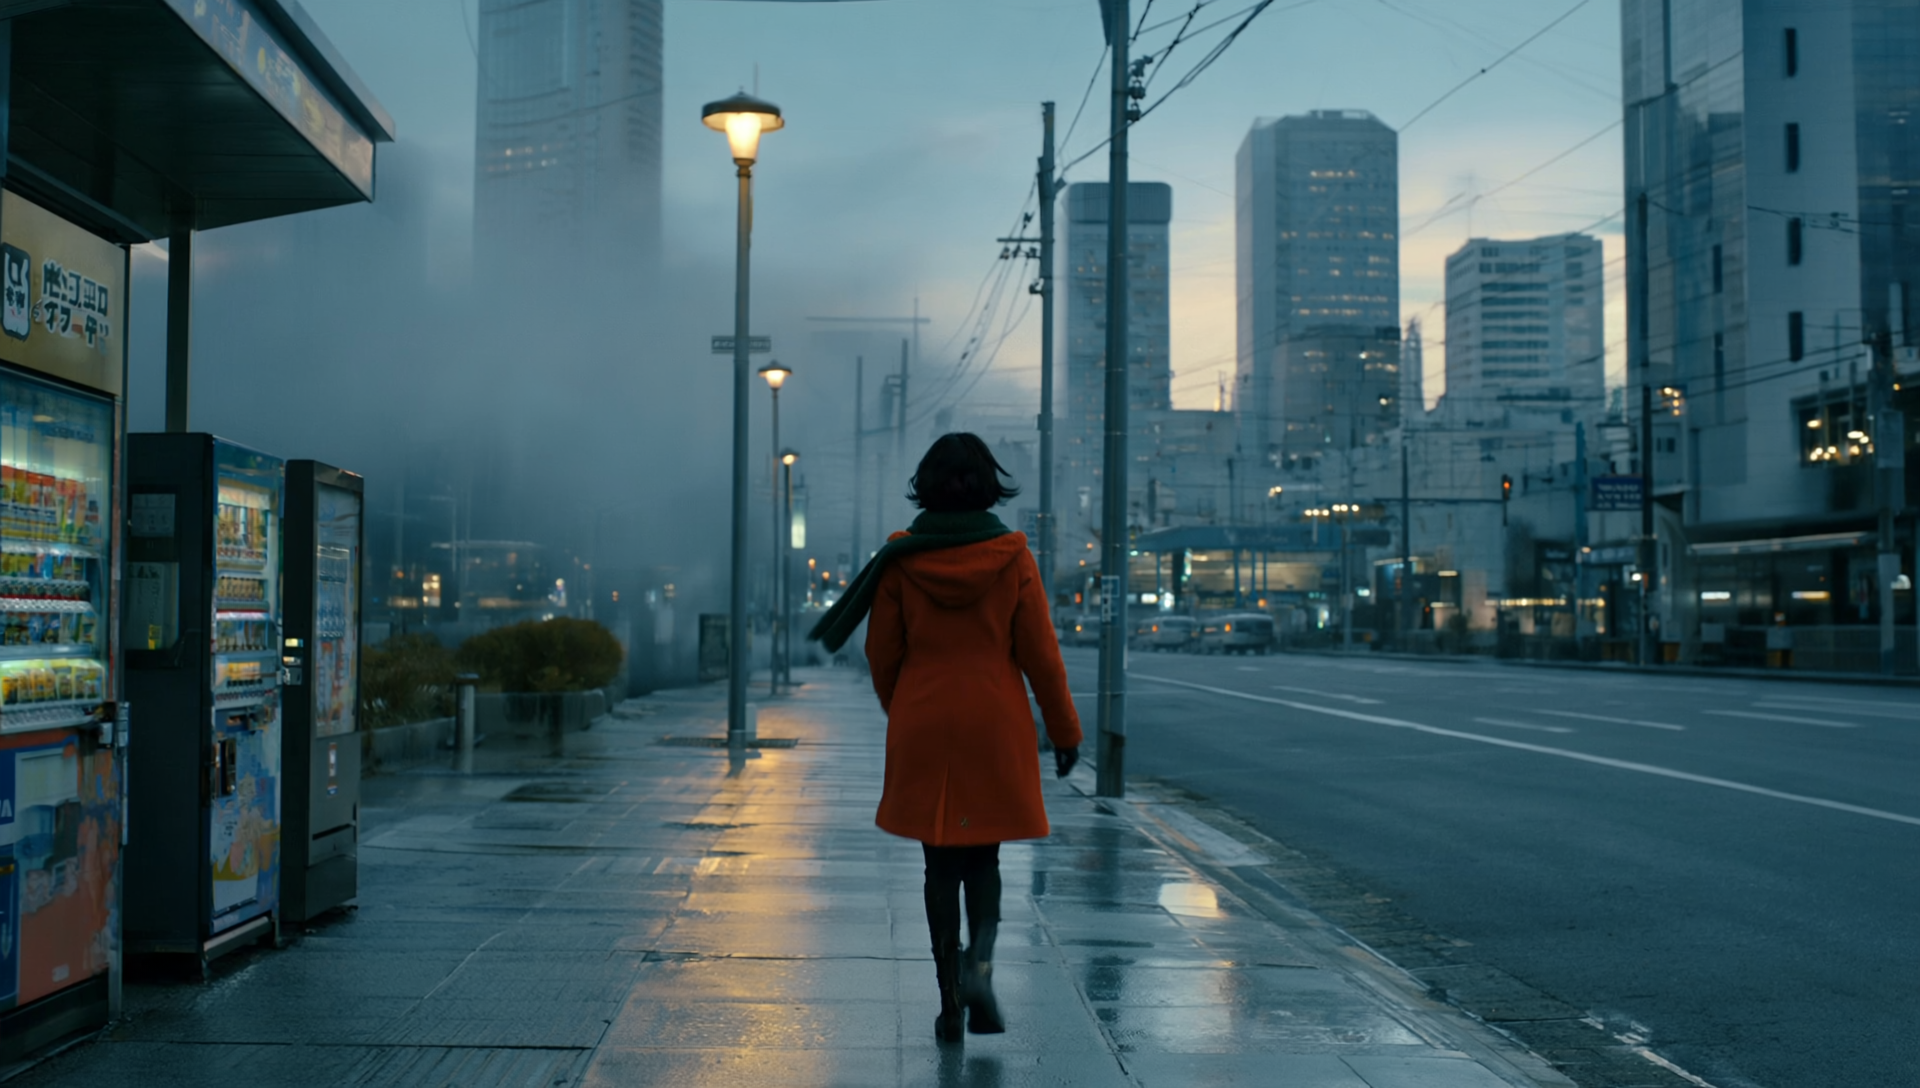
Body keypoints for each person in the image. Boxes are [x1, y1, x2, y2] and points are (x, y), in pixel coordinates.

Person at [809, 433, 1082, 1043]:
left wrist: (902, 708)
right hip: (995, 721)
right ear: (991, 486)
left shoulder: (902, 559)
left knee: (938, 861)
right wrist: (1064, 733)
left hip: (925, 719)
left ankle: (950, 1001)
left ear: (924, 486)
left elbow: (883, 653)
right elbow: (1042, 657)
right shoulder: (1012, 556)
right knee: (984, 857)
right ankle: (981, 964)